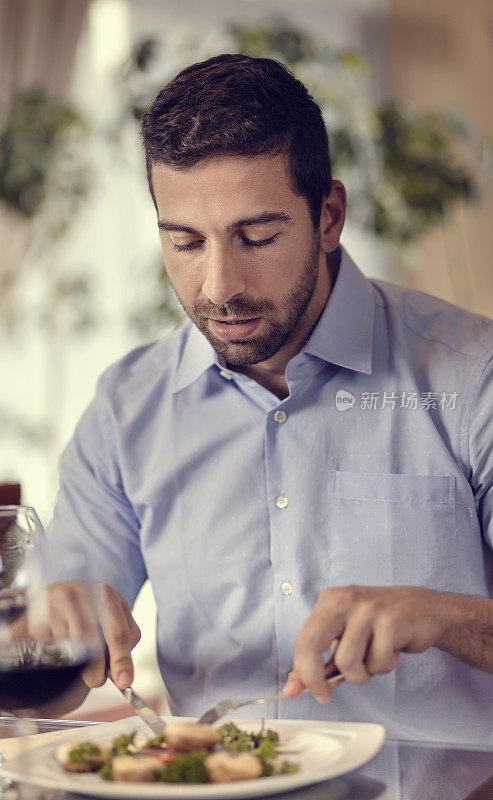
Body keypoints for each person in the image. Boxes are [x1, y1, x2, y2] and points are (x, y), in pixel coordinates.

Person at [42, 53, 493, 744]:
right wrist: (58, 632)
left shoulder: (472, 378)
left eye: (257, 237)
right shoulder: (124, 410)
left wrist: (442, 615)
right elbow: (55, 685)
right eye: (186, 242)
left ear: (329, 216)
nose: (220, 285)